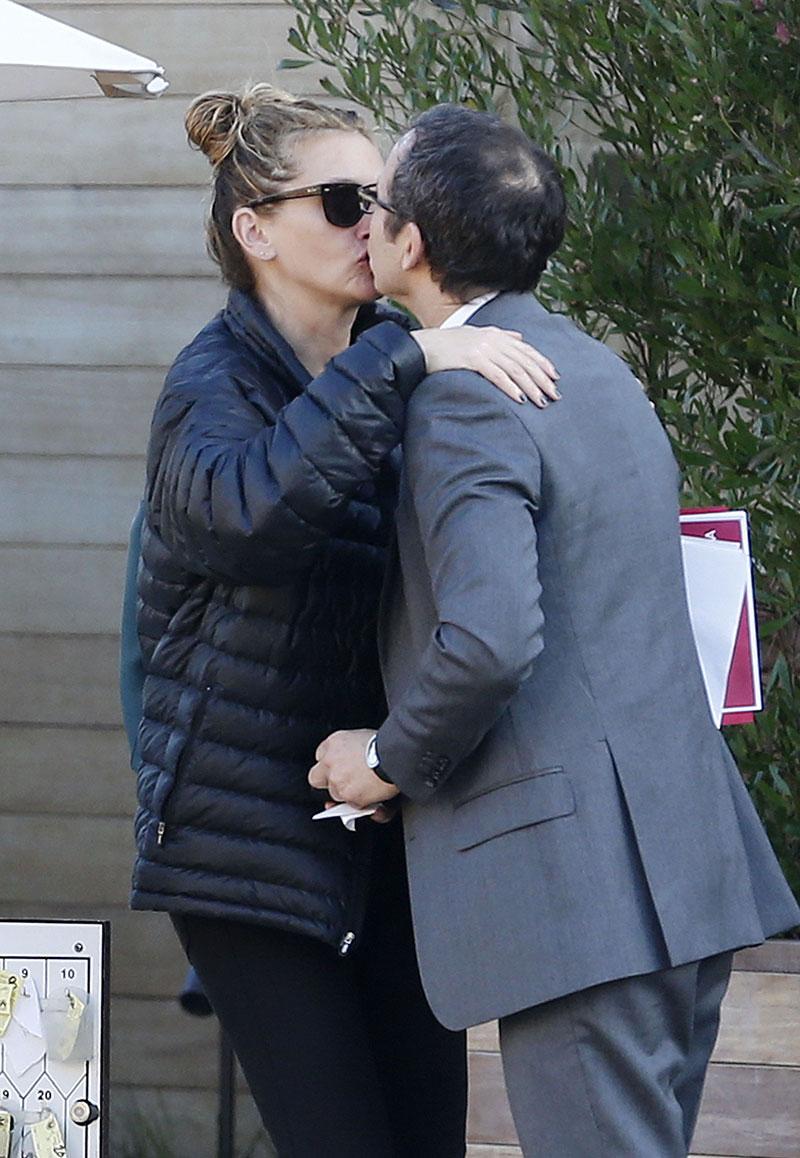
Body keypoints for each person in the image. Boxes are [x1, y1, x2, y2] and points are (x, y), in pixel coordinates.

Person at [310, 105, 800, 1157]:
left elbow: (487, 642)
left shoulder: (467, 395)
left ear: (414, 244)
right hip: (679, 870)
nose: (362, 228)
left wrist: (382, 759)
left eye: (374, 206)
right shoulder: (595, 367)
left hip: (582, 900)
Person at [124, 84, 562, 1158]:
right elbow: (247, 521)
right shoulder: (212, 383)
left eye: (383, 197)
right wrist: (404, 357)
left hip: (385, 823)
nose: (371, 222)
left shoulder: (403, 359)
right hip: (245, 848)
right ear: (254, 228)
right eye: (338, 200)